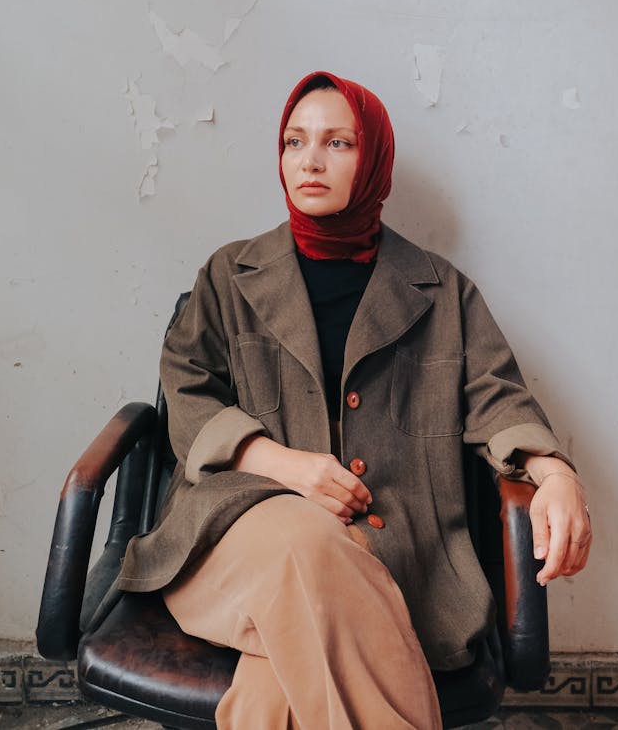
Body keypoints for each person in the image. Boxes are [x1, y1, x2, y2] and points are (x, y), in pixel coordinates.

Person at [118, 71, 592, 730]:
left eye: (337, 142)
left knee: (279, 681)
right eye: (294, 140)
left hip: (392, 555)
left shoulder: (441, 291)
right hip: (232, 538)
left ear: (373, 159)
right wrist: (288, 466)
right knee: (310, 543)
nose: (309, 159)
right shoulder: (228, 275)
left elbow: (500, 401)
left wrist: (556, 472)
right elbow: (187, 391)